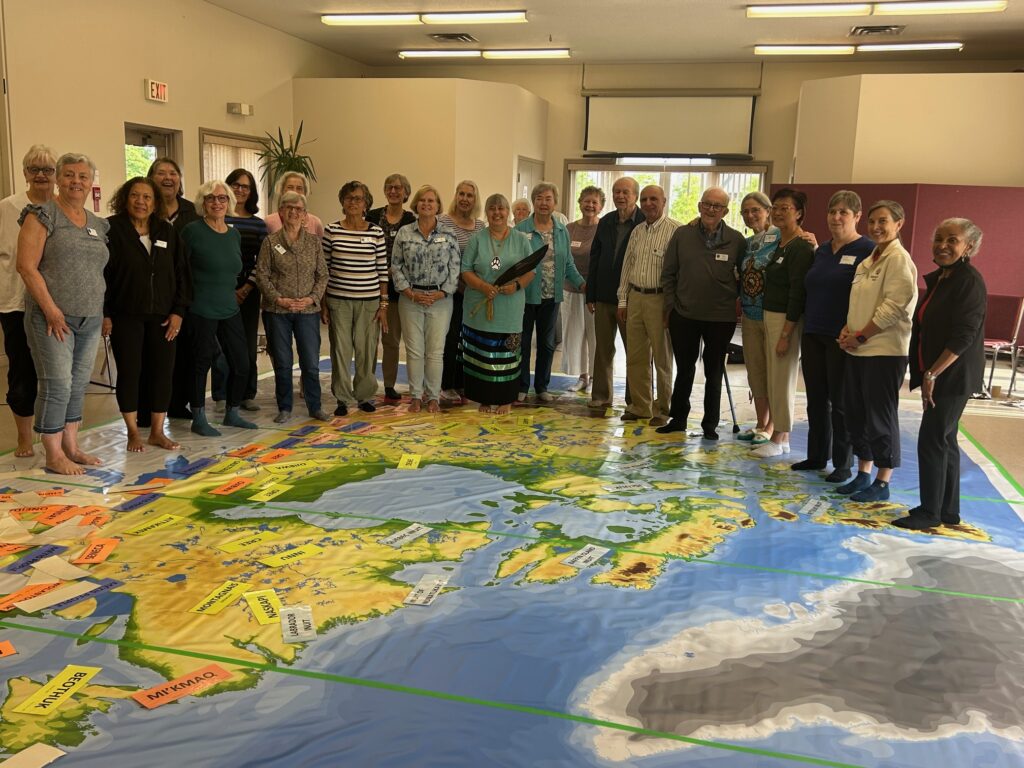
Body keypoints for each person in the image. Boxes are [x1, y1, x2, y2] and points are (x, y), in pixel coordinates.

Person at [16, 153, 109, 475]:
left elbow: (99, 272)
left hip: (90, 318)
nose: (76, 182)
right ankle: (53, 454)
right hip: (51, 318)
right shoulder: (42, 215)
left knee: (77, 384)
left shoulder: (98, 223)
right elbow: (26, 267)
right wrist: (52, 311)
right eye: (69, 175)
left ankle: (71, 446)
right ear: (58, 178)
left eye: (83, 176)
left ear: (91, 182)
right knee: (56, 384)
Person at [894, 219, 987, 530]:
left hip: (952, 375)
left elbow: (964, 336)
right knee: (945, 439)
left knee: (932, 439)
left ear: (969, 247)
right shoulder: (943, 278)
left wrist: (932, 374)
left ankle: (929, 512)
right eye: (938, 238)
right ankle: (947, 510)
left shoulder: (968, 281)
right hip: (939, 372)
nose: (943, 245)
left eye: (953, 240)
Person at [837, 200, 918, 502]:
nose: (876, 227)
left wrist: (861, 336)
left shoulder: (898, 259)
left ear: (899, 224)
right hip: (857, 350)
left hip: (884, 351)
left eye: (883, 221)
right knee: (856, 415)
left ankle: (883, 481)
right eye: (872, 221)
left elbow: (894, 307)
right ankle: (863, 473)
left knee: (880, 418)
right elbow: (857, 304)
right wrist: (847, 331)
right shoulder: (868, 260)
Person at [103, 177, 191, 452]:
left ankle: (156, 431)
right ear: (125, 198)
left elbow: (182, 275)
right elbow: (102, 277)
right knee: (130, 373)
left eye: (147, 197)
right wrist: (105, 314)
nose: (141, 202)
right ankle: (132, 432)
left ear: (155, 203)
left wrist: (178, 312)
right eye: (135, 196)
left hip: (163, 317)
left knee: (163, 373)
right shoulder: (111, 230)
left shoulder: (166, 231)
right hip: (125, 315)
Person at [791, 190, 874, 481]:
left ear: (857, 217)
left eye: (844, 212)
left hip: (842, 338)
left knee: (840, 402)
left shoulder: (867, 250)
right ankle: (816, 455)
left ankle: (843, 463)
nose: (836, 217)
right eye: (832, 211)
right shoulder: (822, 250)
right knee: (816, 398)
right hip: (813, 331)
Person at [658, 187, 746, 439]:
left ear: (725, 211)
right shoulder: (682, 234)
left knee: (714, 370)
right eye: (706, 204)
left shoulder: (736, 239)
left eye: (717, 206)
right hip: (684, 315)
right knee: (684, 369)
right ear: (699, 206)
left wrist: (730, 297)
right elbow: (669, 273)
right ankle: (678, 419)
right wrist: (671, 306)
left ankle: (710, 424)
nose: (710, 209)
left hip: (720, 318)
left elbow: (746, 277)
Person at [179, 180, 257, 436]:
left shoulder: (234, 233)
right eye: (211, 198)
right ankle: (199, 416)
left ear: (229, 203)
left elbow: (234, 270)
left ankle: (232, 413)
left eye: (222, 198)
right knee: (201, 364)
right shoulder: (192, 231)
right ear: (203, 203)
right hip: (200, 308)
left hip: (229, 307)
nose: (217, 203)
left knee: (242, 363)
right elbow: (180, 270)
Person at [749, 188, 815, 458]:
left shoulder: (801, 246)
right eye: (775, 207)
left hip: (786, 320)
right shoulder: (779, 243)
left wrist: (787, 332)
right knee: (774, 378)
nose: (777, 212)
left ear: (798, 213)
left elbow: (797, 292)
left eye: (785, 208)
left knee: (783, 378)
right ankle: (779, 435)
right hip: (769, 315)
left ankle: (781, 436)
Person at [0, 144, 56, 458]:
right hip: (16, 303)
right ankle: (24, 438)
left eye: (47, 170)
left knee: (55, 372)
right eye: (34, 169)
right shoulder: (7, 208)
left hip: (56, 305)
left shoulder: (62, 208)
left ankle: (56, 435)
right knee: (22, 372)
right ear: (24, 174)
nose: (41, 175)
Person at [256, 191, 329, 423]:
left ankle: (315, 406)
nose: (293, 212)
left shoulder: (314, 243)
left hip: (307, 311)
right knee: (283, 362)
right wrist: (278, 299)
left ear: (305, 215)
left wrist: (311, 298)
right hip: (278, 311)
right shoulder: (270, 242)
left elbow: (323, 276)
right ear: (281, 212)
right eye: (288, 208)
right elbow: (262, 275)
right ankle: (285, 407)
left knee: (310, 362)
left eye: (298, 209)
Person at [460, 194, 536, 414]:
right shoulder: (477, 239)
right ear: (487, 212)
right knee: (481, 356)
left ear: (508, 212)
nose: (497, 213)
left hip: (509, 308)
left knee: (507, 355)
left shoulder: (521, 239)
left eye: (501, 208)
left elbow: (531, 270)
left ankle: (505, 399)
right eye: (492, 209)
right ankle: (483, 398)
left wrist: (517, 286)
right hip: (479, 306)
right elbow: (465, 270)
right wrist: (483, 286)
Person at [391, 185, 461, 413]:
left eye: (431, 201)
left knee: (435, 351)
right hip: (410, 298)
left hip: (440, 300)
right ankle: (415, 396)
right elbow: (396, 266)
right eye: (422, 200)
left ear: (438, 206)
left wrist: (441, 293)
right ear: (416, 205)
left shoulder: (448, 234)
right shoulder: (404, 233)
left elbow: (455, 267)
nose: (426, 204)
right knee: (414, 351)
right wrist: (409, 292)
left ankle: (432, 396)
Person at [321, 180, 387, 416]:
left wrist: (384, 304)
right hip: (338, 300)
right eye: (349, 198)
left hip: (369, 302)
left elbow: (382, 270)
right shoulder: (331, 230)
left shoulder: (376, 232)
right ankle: (342, 398)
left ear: (366, 203)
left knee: (366, 349)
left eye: (358, 198)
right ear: (342, 201)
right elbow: (324, 269)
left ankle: (365, 395)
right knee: (340, 350)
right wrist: (324, 303)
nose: (353, 203)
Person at [516, 181, 585, 403]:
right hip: (525, 296)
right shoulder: (521, 230)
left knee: (546, 344)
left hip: (551, 296)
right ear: (533, 202)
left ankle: (542, 387)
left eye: (548, 199)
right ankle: (522, 386)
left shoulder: (561, 230)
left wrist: (582, 284)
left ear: (555, 203)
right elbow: (511, 262)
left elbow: (568, 264)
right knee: (523, 343)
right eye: (539, 199)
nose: (544, 203)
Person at [616, 185, 678, 426]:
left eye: (654, 199)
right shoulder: (637, 231)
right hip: (636, 298)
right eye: (644, 199)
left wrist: (671, 307)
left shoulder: (676, 230)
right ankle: (640, 406)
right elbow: (627, 267)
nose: (649, 203)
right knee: (636, 356)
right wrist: (623, 299)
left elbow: (679, 273)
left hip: (660, 300)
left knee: (662, 358)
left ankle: (663, 408)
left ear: (664, 201)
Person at [149, 157, 200, 421]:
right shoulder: (145, 207)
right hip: (153, 294)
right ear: (151, 177)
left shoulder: (192, 211)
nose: (168, 178)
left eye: (173, 173)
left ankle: (179, 404)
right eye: (161, 173)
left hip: (184, 291)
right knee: (153, 355)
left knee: (185, 353)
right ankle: (148, 409)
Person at [213, 168, 268, 412]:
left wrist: (246, 288)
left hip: (249, 289)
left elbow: (262, 261)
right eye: (235, 184)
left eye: (245, 186)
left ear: (252, 191)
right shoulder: (217, 219)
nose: (240, 190)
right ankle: (221, 394)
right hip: (220, 291)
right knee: (220, 345)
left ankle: (247, 392)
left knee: (246, 344)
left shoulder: (258, 224)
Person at [586, 177, 643, 409]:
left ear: (635, 196)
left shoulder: (643, 222)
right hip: (603, 296)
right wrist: (591, 294)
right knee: (603, 349)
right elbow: (595, 258)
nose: (620, 196)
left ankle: (634, 398)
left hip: (630, 299)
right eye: (616, 191)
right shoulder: (606, 221)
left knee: (635, 351)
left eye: (625, 192)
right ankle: (601, 395)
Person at [367, 173, 416, 402]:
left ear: (406, 193)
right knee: (367, 340)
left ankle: (388, 384)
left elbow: (412, 255)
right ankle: (365, 383)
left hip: (396, 290)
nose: (393, 191)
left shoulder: (411, 220)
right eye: (389, 187)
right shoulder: (372, 215)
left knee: (391, 340)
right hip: (367, 287)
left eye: (398, 188)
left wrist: (392, 271)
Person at [438, 180, 485, 404]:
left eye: (470, 195)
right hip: (452, 291)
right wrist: (458, 283)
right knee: (452, 338)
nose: (465, 199)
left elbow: (487, 258)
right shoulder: (444, 221)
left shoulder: (480, 226)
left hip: (474, 292)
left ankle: (465, 383)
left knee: (470, 339)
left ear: (475, 200)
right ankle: (447, 384)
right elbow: (440, 257)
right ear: (456, 196)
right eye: (462, 194)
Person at [735, 191, 776, 446]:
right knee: (756, 371)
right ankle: (761, 422)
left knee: (774, 373)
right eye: (745, 212)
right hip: (749, 316)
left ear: (768, 210)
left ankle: (772, 426)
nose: (751, 216)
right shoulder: (748, 243)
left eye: (755, 210)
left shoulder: (783, 237)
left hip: (773, 315)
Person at [562, 186, 602, 392]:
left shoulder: (604, 228)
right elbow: (563, 259)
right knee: (575, 335)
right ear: (580, 203)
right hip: (571, 289)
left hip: (595, 292)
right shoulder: (569, 229)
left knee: (595, 335)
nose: (590, 205)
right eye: (587, 201)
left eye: (595, 202)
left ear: (601, 206)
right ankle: (582, 376)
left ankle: (596, 377)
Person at [264, 172, 325, 238]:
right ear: (282, 191)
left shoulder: (315, 223)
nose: (294, 191)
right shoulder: (269, 222)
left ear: (305, 192)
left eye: (299, 188)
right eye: (290, 187)